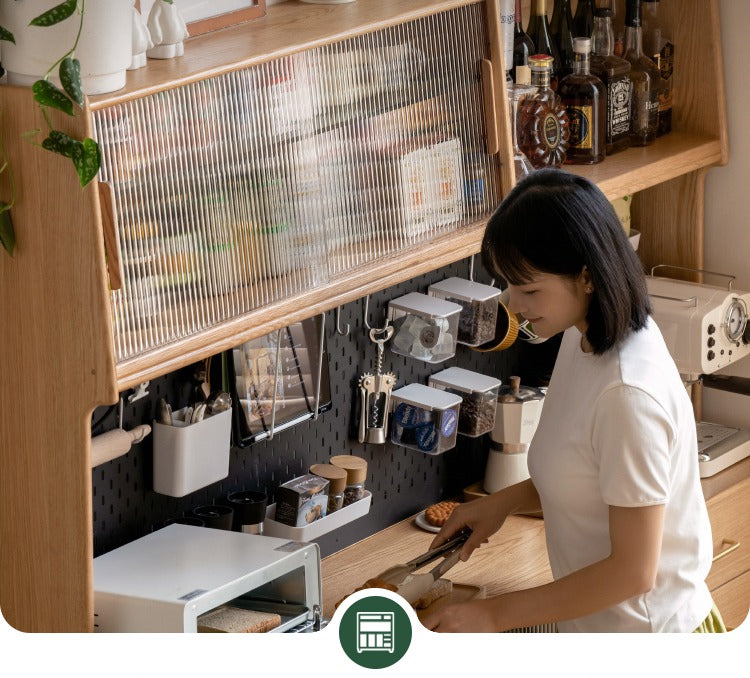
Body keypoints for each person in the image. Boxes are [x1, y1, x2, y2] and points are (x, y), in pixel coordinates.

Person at [423, 168, 725, 633]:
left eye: (529, 289)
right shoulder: (583, 337)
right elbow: (592, 475)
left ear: (586, 276)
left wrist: (492, 614)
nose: (514, 304)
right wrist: (501, 503)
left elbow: (632, 572)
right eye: (509, 284)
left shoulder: (627, 395)